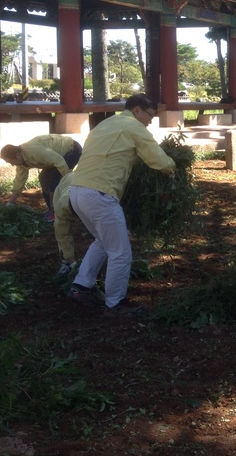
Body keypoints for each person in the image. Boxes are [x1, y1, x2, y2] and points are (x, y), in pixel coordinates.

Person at [67, 94, 175, 318]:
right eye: (150, 116)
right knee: (121, 252)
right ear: (137, 111)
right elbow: (158, 159)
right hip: (100, 195)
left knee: (102, 241)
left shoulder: (106, 124)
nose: (150, 121)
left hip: (77, 190)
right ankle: (115, 304)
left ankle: (81, 287)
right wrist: (173, 168)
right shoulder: (134, 127)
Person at [0, 134, 83, 221]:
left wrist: (67, 179)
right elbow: (19, 182)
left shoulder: (34, 151)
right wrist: (10, 204)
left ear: (18, 155)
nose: (12, 165)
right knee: (43, 178)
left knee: (54, 180)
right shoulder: (21, 163)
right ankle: (51, 209)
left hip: (71, 149)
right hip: (57, 157)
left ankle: (57, 212)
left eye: (11, 162)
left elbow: (59, 161)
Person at [52, 171, 77, 277]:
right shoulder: (61, 206)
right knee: (62, 229)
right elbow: (62, 234)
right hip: (66, 183)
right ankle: (66, 263)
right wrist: (73, 262)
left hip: (84, 181)